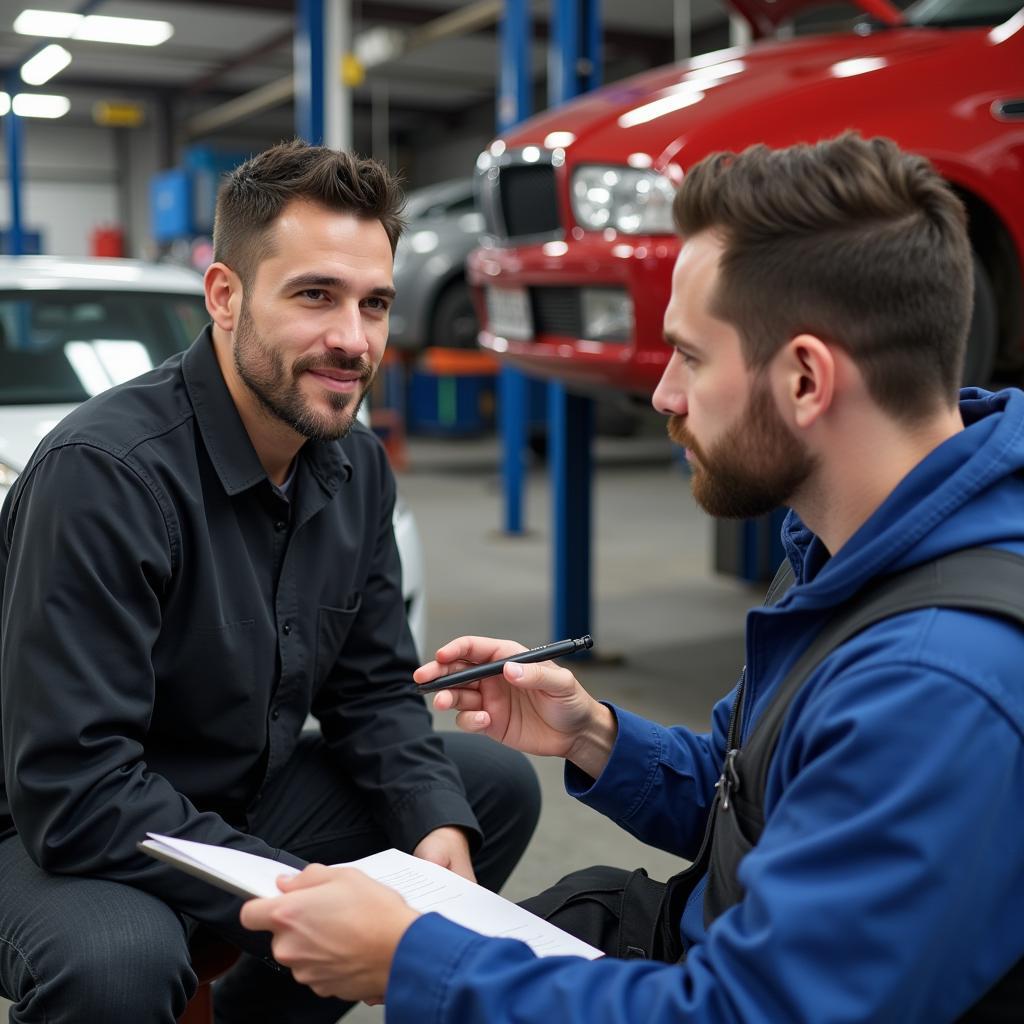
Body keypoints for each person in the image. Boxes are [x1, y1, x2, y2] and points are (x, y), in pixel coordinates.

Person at [239, 133, 1024, 1022]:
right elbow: (767, 810)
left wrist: (410, 957)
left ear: (806, 378)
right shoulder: (849, 549)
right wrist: (598, 736)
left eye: (690, 356)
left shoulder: (934, 685)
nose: (663, 396)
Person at [0, 140, 540, 1024]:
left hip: (237, 790)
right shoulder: (103, 476)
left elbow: (370, 689)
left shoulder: (354, 465)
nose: (353, 340)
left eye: (374, 304)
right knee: (118, 961)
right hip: (48, 825)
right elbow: (75, 787)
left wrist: (434, 826)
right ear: (225, 296)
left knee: (484, 789)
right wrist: (294, 890)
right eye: (316, 296)